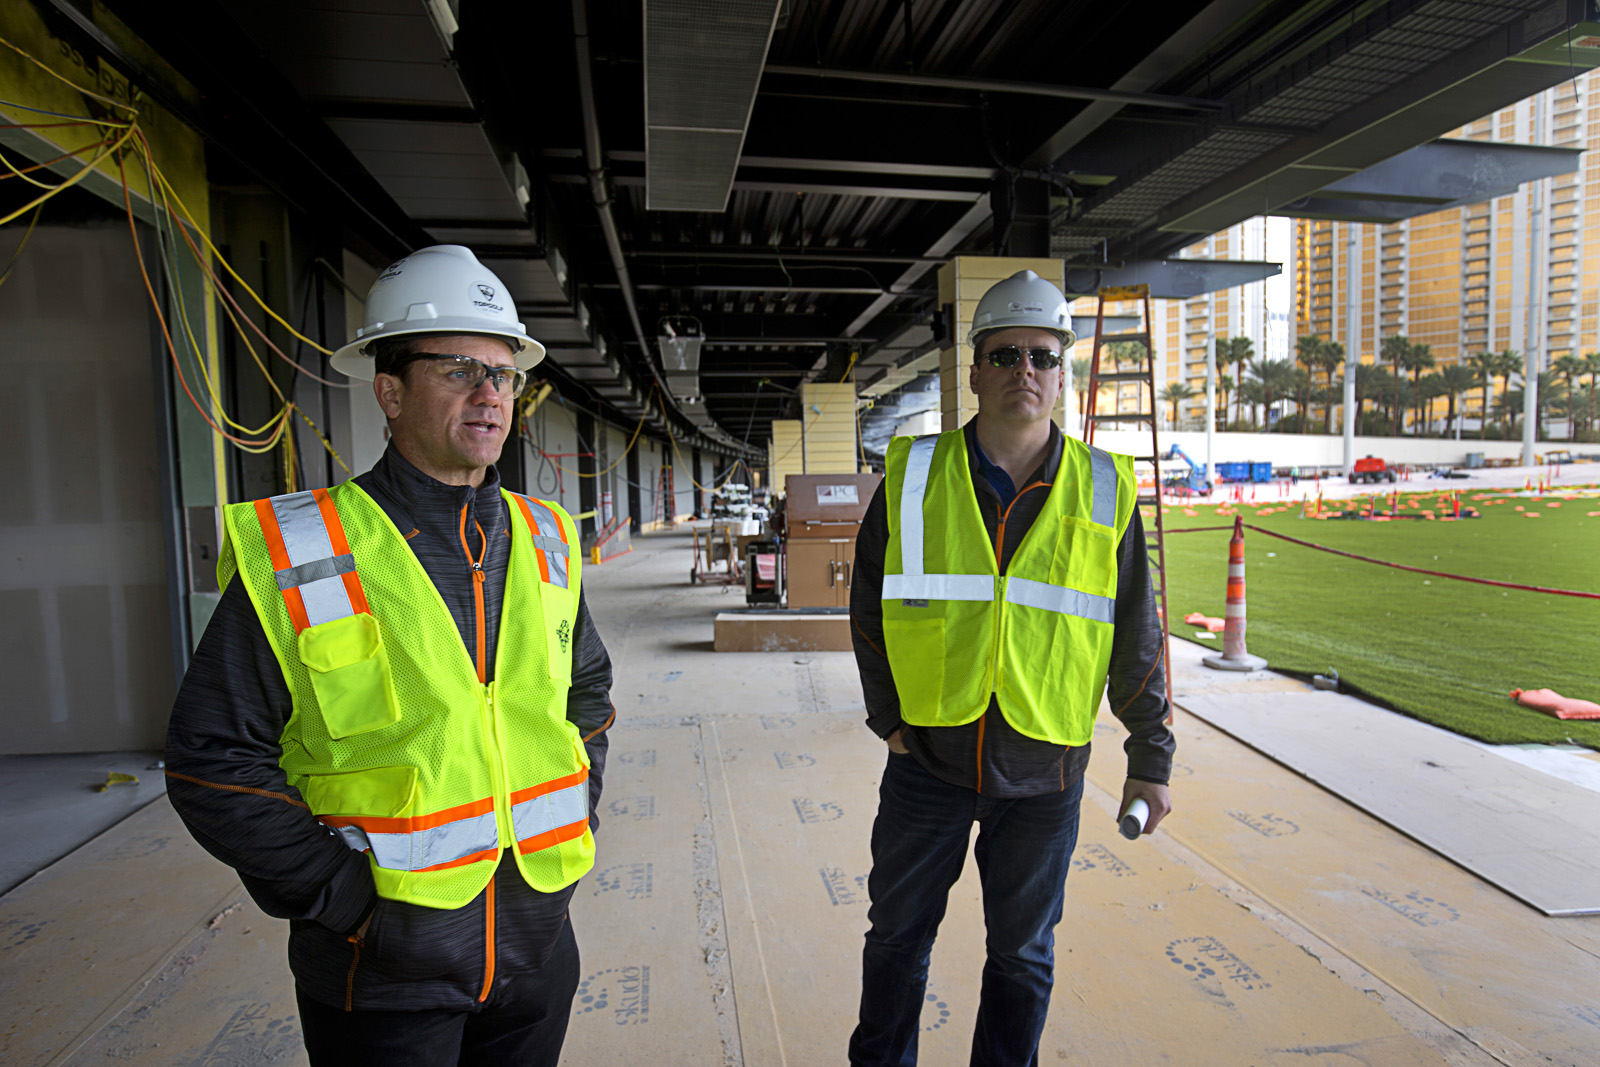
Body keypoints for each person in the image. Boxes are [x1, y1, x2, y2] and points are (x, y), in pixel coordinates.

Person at [165, 245, 615, 1066]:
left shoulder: (545, 536)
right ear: (390, 389)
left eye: (504, 374)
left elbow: (589, 696)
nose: (490, 395)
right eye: (456, 369)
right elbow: (210, 758)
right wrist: (343, 899)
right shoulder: (307, 550)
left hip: (538, 949)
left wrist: (577, 814)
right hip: (381, 976)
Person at [847, 270, 1175, 1066]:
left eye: (1040, 354)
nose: (1022, 370)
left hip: (1046, 772)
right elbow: (868, 605)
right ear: (975, 370)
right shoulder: (915, 477)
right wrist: (888, 719)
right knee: (895, 940)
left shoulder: (1104, 491)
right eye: (1004, 354)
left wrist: (1150, 753)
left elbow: (1136, 627)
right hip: (926, 760)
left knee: (1022, 957)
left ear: (1061, 370)